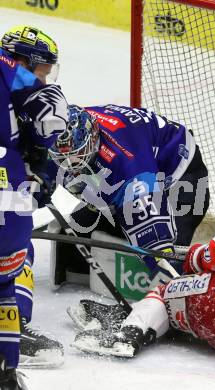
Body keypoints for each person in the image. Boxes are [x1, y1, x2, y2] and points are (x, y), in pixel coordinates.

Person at [69, 155, 215, 359]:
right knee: (202, 289)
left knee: (166, 291)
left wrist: (194, 256)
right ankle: (147, 316)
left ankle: (128, 334)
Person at [47, 103, 209, 298]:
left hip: (181, 175)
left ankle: (180, 304)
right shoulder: (58, 132)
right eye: (62, 159)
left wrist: (165, 273)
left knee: (168, 256)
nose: (72, 167)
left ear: (94, 139)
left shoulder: (128, 162)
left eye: (78, 156)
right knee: (77, 227)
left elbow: (155, 243)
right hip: (126, 170)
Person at [0, 25, 68, 387]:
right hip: (7, 197)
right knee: (14, 256)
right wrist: (40, 174)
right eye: (42, 68)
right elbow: (48, 122)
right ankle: (10, 353)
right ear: (26, 60)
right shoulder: (23, 83)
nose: (44, 77)